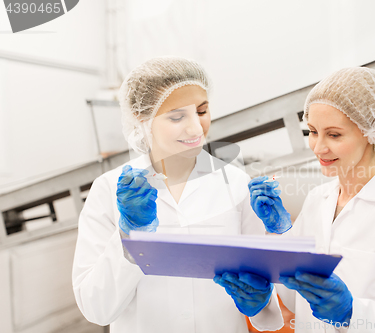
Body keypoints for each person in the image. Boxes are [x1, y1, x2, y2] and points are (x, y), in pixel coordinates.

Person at [72, 56, 283, 333]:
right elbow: (96, 308)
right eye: (176, 116)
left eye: (202, 111)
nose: (196, 128)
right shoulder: (109, 189)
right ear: (142, 117)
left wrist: (261, 300)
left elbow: (262, 297)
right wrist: (129, 237)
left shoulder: (236, 184)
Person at [247, 67, 375, 332]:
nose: (318, 147)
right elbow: (298, 302)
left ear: (370, 132)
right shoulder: (318, 201)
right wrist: (281, 236)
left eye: (334, 134)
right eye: (312, 131)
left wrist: (352, 313)